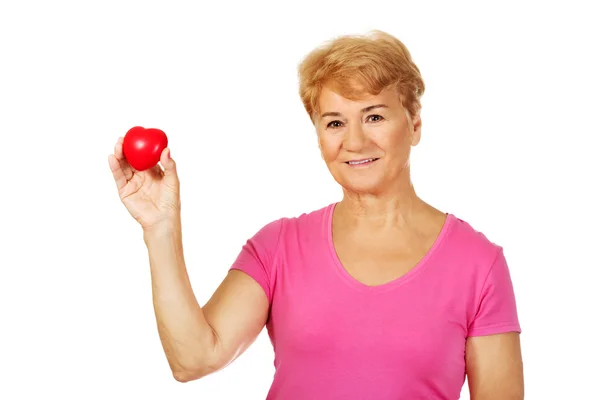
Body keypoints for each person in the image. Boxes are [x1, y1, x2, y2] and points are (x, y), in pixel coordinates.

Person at [108, 29, 524, 399]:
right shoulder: (277, 247)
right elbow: (194, 359)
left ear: (415, 123)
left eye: (374, 116)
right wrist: (160, 228)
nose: (355, 141)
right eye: (335, 123)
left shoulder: (478, 264)